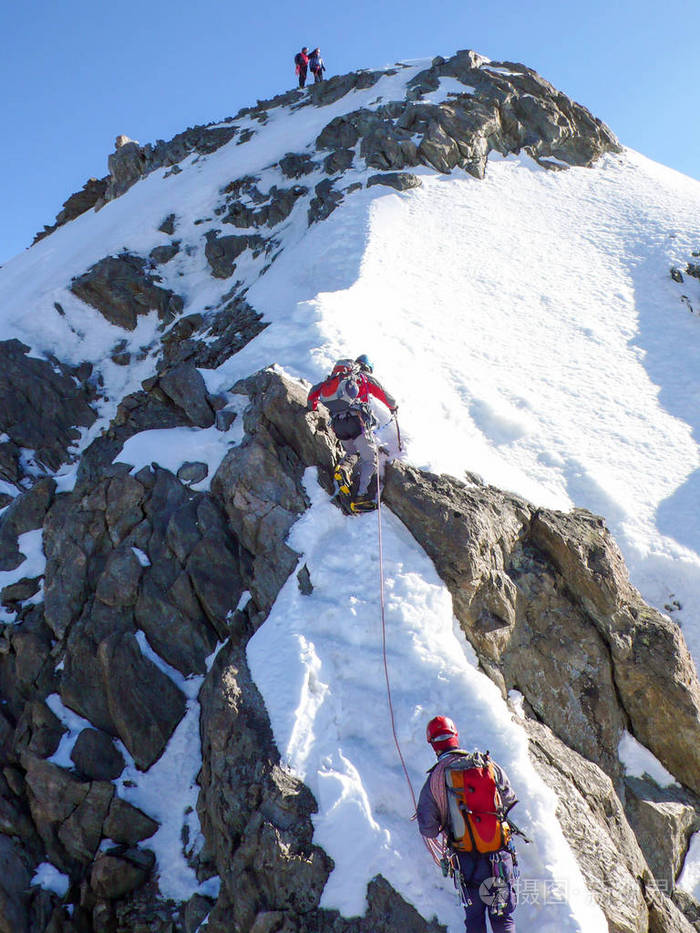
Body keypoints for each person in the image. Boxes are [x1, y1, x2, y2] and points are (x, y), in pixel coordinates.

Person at [417, 716, 519, 933]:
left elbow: (428, 828)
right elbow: (509, 799)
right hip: (498, 857)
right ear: (456, 736)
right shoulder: (485, 764)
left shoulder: (435, 779)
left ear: (432, 744)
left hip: (467, 863)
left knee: (474, 922)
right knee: (503, 919)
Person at [307, 355, 398, 513]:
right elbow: (383, 393)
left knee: (352, 452)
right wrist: (393, 407)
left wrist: (314, 408)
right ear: (367, 367)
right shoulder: (362, 377)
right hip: (357, 421)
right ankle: (361, 498)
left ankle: (344, 467)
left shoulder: (333, 380)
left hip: (338, 424)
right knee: (370, 459)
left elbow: (313, 395)